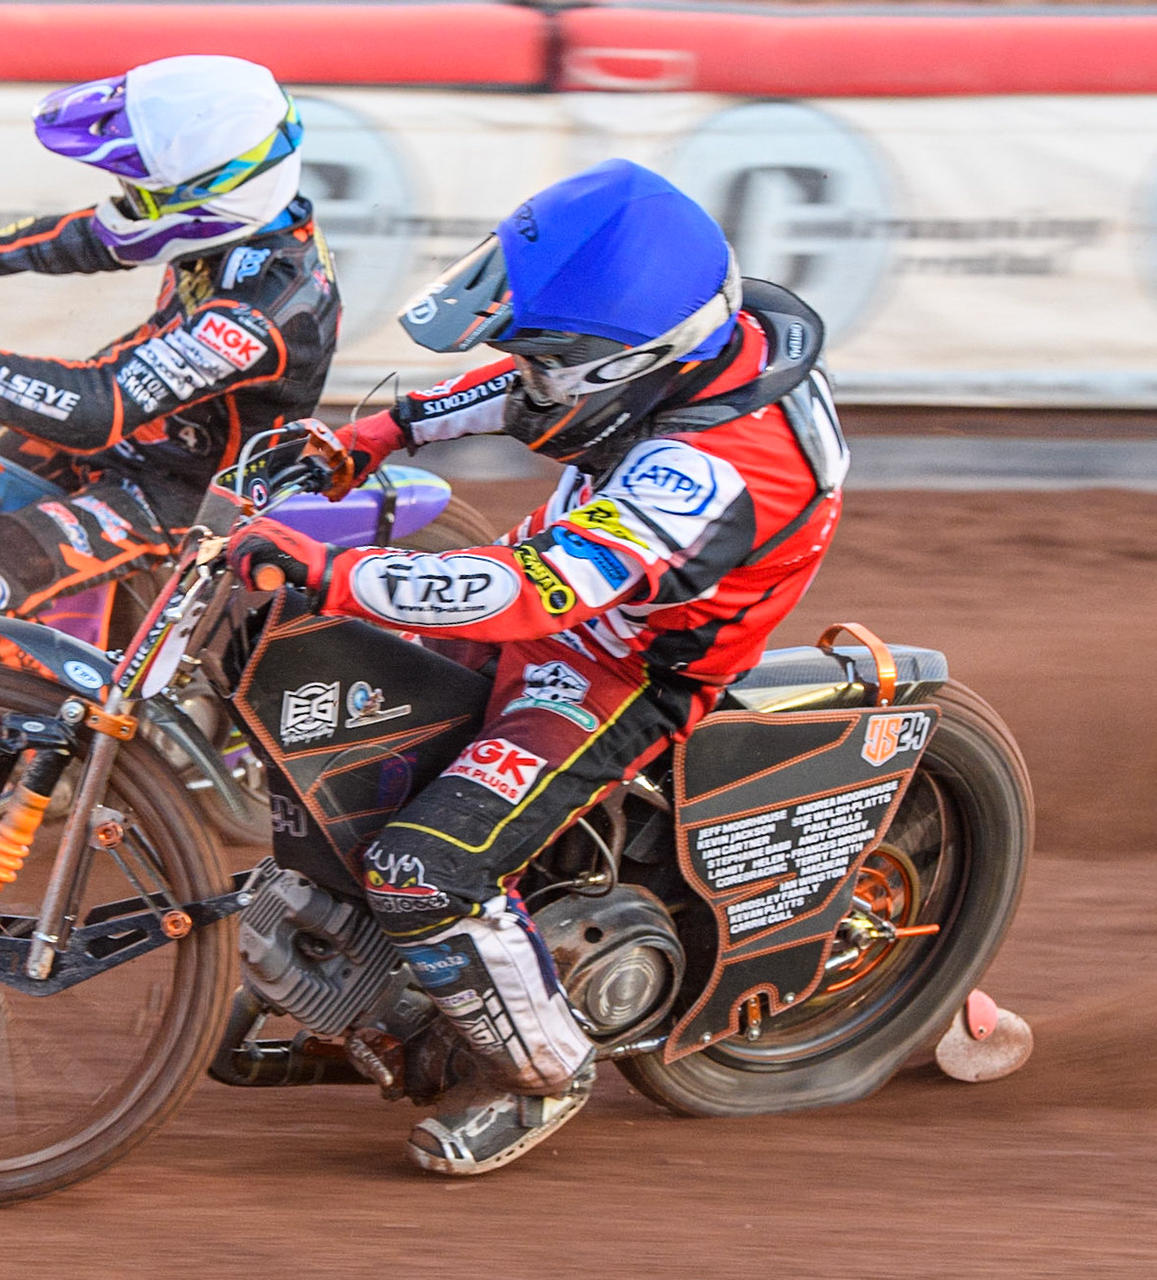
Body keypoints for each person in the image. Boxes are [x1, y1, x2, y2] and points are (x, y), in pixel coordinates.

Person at [225, 159, 850, 1175]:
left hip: (618, 666)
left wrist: (336, 569)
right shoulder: (675, 355)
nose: (529, 373)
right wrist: (362, 441)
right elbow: (511, 388)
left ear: (620, 363)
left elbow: (533, 589)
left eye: (546, 357)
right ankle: (380, 979)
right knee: (324, 716)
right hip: (566, 594)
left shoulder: (719, 466)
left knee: (420, 870)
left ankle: (546, 1069)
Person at [0, 54, 340, 642]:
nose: (126, 203)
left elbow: (94, 409)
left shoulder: (262, 312)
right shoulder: (247, 222)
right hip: (140, 437)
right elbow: (88, 239)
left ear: (209, 195)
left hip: (180, 498)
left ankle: (75, 730)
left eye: (144, 193)